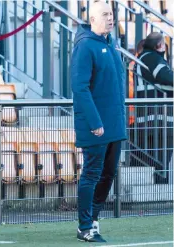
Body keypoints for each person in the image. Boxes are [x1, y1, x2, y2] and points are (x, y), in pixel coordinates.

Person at [71, 1, 127, 243]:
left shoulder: (111, 44)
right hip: (95, 126)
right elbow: (79, 88)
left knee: (108, 174)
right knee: (92, 174)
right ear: (92, 19)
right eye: (105, 15)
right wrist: (94, 122)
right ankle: (84, 227)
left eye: (111, 14)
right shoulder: (84, 47)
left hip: (114, 125)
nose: (110, 18)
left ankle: (93, 220)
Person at [130, 32, 173, 184]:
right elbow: (166, 77)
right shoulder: (153, 58)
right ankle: (160, 193)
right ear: (160, 46)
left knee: (156, 161)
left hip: (151, 119)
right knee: (161, 163)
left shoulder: (145, 58)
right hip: (158, 119)